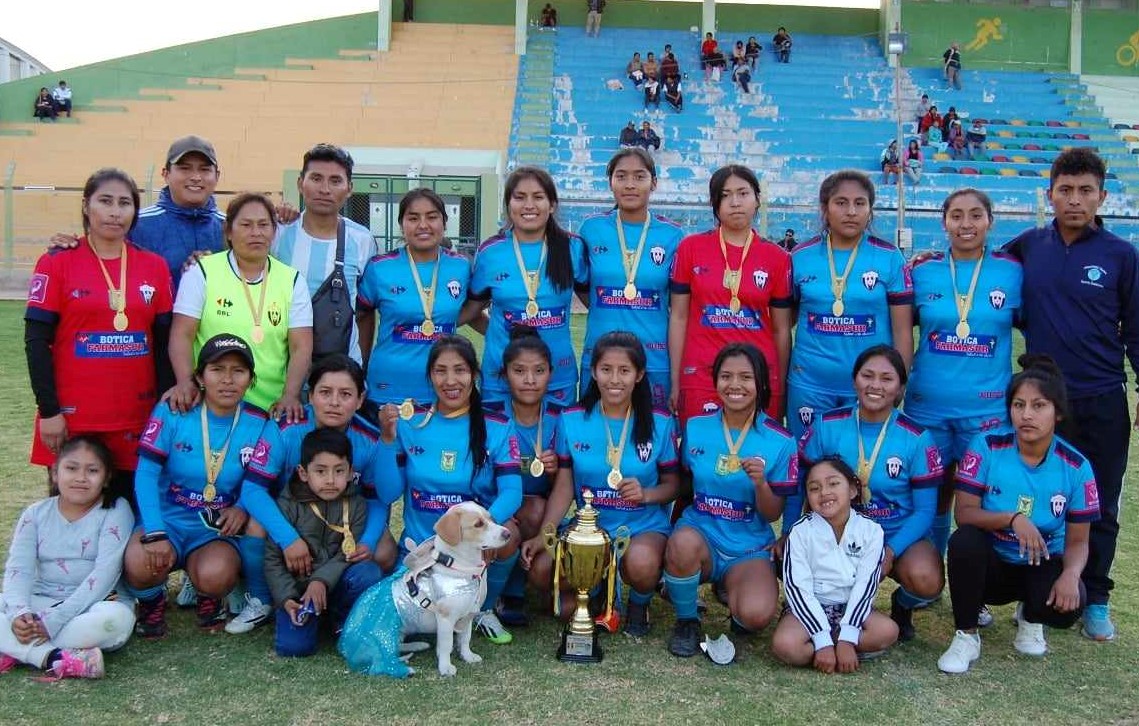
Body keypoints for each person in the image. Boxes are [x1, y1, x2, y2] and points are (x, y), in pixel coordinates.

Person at [1002, 147, 1139, 641]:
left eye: (1085, 191)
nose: (1075, 200)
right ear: (1050, 194)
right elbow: (983, 274)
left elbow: (1137, 330)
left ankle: (1096, 598)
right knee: (1035, 498)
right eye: (1066, 190)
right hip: (1043, 402)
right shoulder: (1027, 246)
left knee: (1098, 502)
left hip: (1102, 396)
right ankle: (1032, 590)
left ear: (1102, 196)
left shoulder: (1121, 255)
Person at [938, 356, 1099, 674]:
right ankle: (967, 635)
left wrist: (1070, 576)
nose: (1026, 415)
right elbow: (965, 513)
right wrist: (1012, 519)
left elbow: (1079, 542)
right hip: (992, 564)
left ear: (1058, 412)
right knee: (964, 542)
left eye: (1039, 406)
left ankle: (1031, 617)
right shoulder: (986, 445)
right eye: (1018, 404)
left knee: (1071, 603)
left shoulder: (1076, 467)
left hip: (1041, 563)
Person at [25, 168, 174, 504]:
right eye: (105, 201)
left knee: (126, 519)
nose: (114, 211)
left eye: (125, 203)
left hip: (134, 419)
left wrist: (162, 412)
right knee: (70, 517)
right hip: (72, 419)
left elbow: (165, 344)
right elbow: (36, 342)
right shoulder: (56, 263)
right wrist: (49, 411)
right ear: (86, 206)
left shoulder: (154, 266)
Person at [125, 335, 286, 638]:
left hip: (212, 528)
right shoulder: (174, 410)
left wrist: (239, 508)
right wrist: (155, 531)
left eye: (238, 371)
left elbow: (258, 482)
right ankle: (151, 601)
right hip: (168, 518)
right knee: (140, 561)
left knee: (216, 575)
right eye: (217, 369)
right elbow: (145, 474)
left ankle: (209, 596)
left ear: (251, 380)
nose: (227, 380)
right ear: (199, 376)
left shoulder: (259, 421)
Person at [521, 332, 679, 637]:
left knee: (642, 563)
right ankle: (595, 590)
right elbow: (564, 487)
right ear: (593, 372)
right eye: (606, 370)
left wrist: (647, 494)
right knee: (542, 571)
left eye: (624, 371)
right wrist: (545, 535)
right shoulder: (572, 419)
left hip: (641, 529)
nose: (614, 380)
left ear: (639, 374)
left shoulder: (660, 422)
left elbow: (674, 485)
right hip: (588, 532)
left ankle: (638, 603)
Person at [374, 335, 523, 644]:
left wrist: (481, 530)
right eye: (441, 371)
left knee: (508, 535)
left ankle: (481, 607)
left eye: (460, 370)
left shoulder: (496, 424)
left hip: (471, 550)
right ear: (430, 376)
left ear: (474, 374)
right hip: (422, 550)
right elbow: (388, 494)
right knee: (408, 624)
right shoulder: (410, 422)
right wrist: (387, 441)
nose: (451, 380)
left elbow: (512, 492)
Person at [240, 355, 400, 636]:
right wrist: (288, 538)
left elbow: (381, 498)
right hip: (293, 517)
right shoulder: (286, 428)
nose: (334, 402)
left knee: (384, 548)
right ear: (310, 395)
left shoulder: (370, 438)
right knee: (256, 525)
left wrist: (368, 540)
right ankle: (261, 599)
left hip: (342, 521)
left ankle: (342, 604)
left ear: (361, 400)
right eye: (325, 393)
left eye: (346, 394)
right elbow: (252, 490)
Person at [799, 345, 945, 642]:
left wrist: (889, 551)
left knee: (927, 579)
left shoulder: (917, 437)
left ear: (901, 388)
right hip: (837, 531)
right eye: (867, 376)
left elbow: (926, 511)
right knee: (789, 553)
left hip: (894, 532)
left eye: (887, 379)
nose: (875, 385)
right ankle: (815, 609)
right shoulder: (827, 425)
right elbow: (798, 485)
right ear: (855, 380)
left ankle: (902, 606)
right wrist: (791, 532)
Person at [906, 189, 1022, 560]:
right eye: (957, 215)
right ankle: (930, 572)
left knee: (981, 496)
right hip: (929, 406)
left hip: (986, 410)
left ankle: (974, 586)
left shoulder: (1012, 271)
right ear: (944, 222)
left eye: (975, 215)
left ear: (990, 220)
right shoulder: (922, 271)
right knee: (934, 493)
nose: (966, 224)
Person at [664, 344, 798, 656]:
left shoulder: (780, 441)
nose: (734, 385)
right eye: (726, 376)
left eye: (745, 377)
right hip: (702, 535)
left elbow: (772, 513)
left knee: (755, 616)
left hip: (748, 546)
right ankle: (687, 620)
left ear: (761, 383)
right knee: (682, 544)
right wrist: (670, 546)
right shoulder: (696, 427)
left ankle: (734, 591)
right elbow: (683, 488)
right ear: (716, 381)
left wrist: (761, 484)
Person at [786, 170, 913, 440]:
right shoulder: (800, 256)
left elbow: (903, 331)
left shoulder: (890, 257)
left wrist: (899, 383)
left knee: (862, 464)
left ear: (870, 209)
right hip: (810, 385)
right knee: (808, 465)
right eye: (841, 203)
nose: (851, 211)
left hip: (870, 387)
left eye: (860, 203)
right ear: (825, 209)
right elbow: (784, 323)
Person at [168, 193, 313, 421]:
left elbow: (301, 347)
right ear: (228, 231)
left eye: (264, 225)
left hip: (269, 409)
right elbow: (182, 334)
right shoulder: (202, 272)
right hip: (211, 406)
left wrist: (290, 395)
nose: (256, 232)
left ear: (274, 231)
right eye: (246, 225)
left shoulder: (292, 280)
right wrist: (186, 382)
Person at [0, 437, 135, 679]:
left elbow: (104, 575)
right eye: (71, 468)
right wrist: (19, 615)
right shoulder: (35, 514)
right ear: (54, 473)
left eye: (92, 471)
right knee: (7, 606)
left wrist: (54, 620)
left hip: (93, 606)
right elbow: (18, 571)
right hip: (40, 602)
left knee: (116, 621)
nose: (81, 478)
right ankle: (54, 658)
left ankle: (14, 648)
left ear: (106, 479)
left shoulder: (116, 510)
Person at [670, 165, 792, 425]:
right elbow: (678, 317)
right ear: (715, 203)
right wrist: (675, 379)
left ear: (757, 199)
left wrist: (779, 386)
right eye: (725, 195)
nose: (735, 202)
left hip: (756, 375)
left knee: (756, 458)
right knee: (700, 457)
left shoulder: (778, 258)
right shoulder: (690, 248)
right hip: (701, 374)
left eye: (743, 193)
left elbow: (782, 330)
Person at [462, 166, 588, 406]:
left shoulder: (572, 248)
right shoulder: (491, 252)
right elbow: (470, 309)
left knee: (553, 444)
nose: (529, 205)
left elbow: (597, 304)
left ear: (551, 205)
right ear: (509, 204)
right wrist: (499, 331)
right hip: (501, 374)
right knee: (500, 444)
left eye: (538, 197)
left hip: (557, 375)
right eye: (519, 197)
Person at [578, 149, 683, 409]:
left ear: (654, 183)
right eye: (621, 176)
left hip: (654, 358)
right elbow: (584, 289)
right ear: (610, 182)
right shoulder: (590, 229)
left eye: (639, 176)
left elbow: (680, 308)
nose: (630, 185)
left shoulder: (673, 234)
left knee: (652, 438)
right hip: (600, 357)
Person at [772, 456, 899, 671]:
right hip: (808, 609)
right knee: (785, 645)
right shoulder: (800, 532)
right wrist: (821, 641)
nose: (824, 492)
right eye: (814, 488)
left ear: (852, 490)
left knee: (887, 631)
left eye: (833, 483)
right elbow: (797, 588)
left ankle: (841, 644)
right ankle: (826, 646)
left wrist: (848, 637)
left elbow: (866, 586)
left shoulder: (872, 531)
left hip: (851, 607)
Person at [266, 428, 384, 657]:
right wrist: (286, 598)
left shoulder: (357, 505)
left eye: (339, 471)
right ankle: (309, 617)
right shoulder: (287, 504)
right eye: (320, 471)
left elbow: (346, 556)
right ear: (303, 472)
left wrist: (320, 580)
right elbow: (272, 558)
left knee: (368, 571)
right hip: (299, 591)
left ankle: (341, 619)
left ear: (351, 472)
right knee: (294, 649)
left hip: (336, 583)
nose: (330, 480)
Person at [356, 188, 473, 412]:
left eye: (432, 217)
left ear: (444, 223)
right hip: (388, 385)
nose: (423, 225)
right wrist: (361, 364)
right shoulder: (380, 267)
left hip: (443, 387)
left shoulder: (461, 266)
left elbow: (472, 308)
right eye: (413, 218)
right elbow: (363, 314)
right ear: (402, 224)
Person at [273, 144, 377, 366]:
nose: (325, 189)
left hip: (339, 372)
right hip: (280, 365)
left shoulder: (362, 240)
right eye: (316, 178)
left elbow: (366, 312)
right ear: (301, 184)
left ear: (349, 188)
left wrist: (361, 368)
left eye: (335, 181)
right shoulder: (277, 234)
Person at [493, 326, 563, 626]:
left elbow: (568, 485)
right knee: (526, 508)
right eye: (519, 371)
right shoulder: (490, 416)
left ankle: (522, 582)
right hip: (498, 502)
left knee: (535, 508)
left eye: (539, 371)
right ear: (504, 374)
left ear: (551, 373)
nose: (530, 380)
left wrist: (554, 472)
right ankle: (509, 591)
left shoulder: (562, 418)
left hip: (541, 510)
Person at [135, 136, 226, 287]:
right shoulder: (137, 224)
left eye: (204, 169)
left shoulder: (232, 227)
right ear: (166, 174)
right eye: (185, 168)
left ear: (217, 176)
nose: (196, 177)